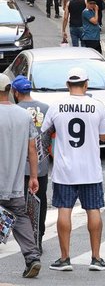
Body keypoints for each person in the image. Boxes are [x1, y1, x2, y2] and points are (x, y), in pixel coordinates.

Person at [41, 67, 105, 272]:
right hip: (90, 169)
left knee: (64, 210)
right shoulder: (97, 106)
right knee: (93, 210)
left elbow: (45, 133)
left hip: (65, 170)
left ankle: (65, 259)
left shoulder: (56, 106)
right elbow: (104, 136)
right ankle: (96, 258)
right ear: (86, 84)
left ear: (67, 85)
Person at [0, 73, 42, 278]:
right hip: (15, 184)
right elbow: (32, 149)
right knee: (20, 217)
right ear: (10, 90)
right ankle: (32, 257)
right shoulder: (24, 116)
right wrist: (33, 176)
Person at [13, 75, 51, 252]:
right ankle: (38, 239)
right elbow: (51, 136)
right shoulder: (46, 108)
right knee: (39, 203)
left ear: (16, 92)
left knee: (16, 204)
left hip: (18, 166)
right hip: (41, 166)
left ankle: (24, 241)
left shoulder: (14, 110)